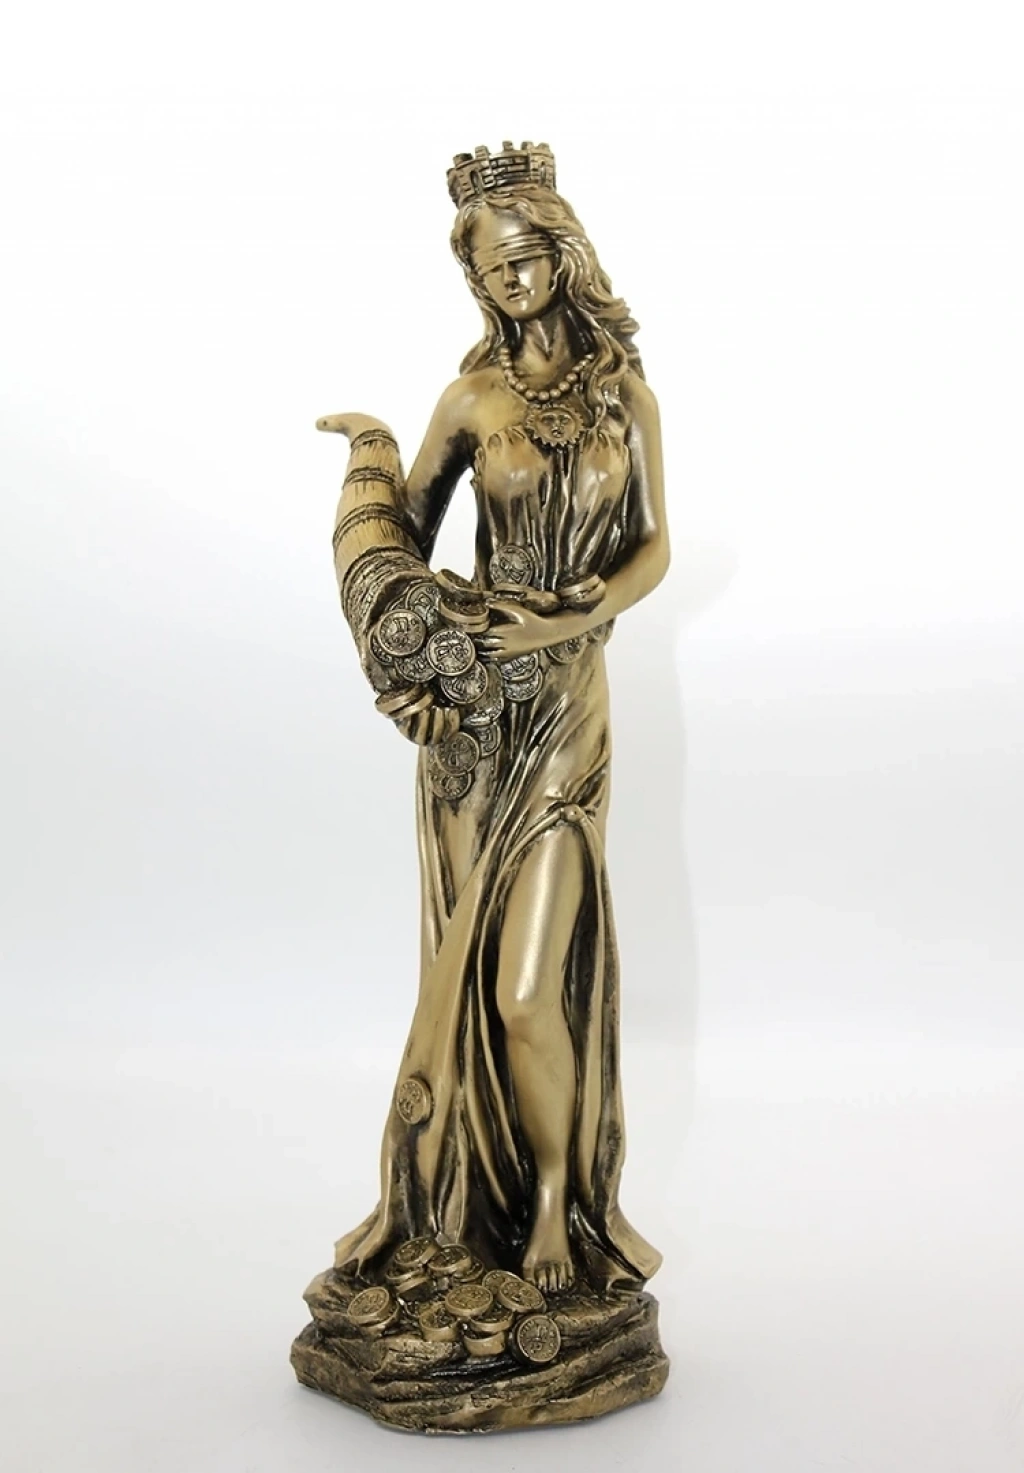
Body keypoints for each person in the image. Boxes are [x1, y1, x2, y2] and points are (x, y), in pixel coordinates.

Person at [327, 145, 669, 1297]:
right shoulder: (471, 401)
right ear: (473, 281)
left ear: (563, 254)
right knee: (462, 978)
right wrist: (370, 462)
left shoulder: (625, 398)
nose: (512, 279)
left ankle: (560, 1208)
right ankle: (452, 1208)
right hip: (477, 726)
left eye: (526, 256)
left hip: (568, 716)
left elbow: (654, 548)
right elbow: (404, 543)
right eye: (490, 268)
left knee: (529, 990)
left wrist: (578, 613)